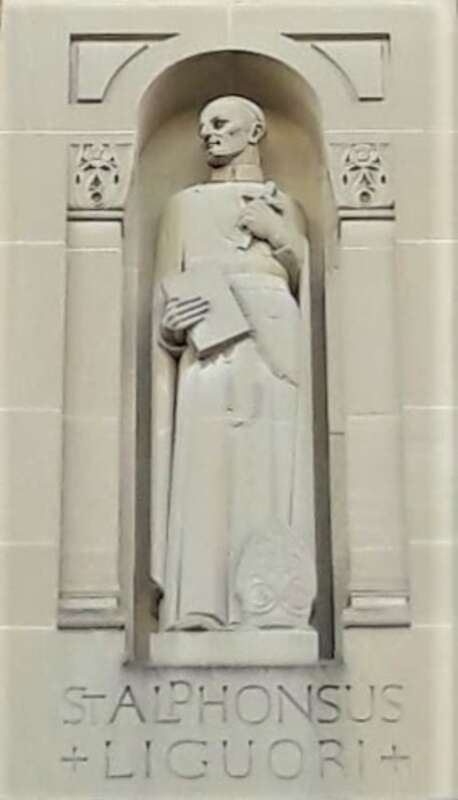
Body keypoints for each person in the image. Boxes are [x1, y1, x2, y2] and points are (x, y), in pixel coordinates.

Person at [151, 95, 316, 632]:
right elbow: (163, 303)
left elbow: (313, 282)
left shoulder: (282, 204)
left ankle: (272, 608)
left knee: (269, 470)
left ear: (256, 130)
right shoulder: (185, 205)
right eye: (201, 127)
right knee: (206, 468)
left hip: (275, 350)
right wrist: (174, 324)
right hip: (212, 351)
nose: (207, 135)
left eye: (220, 124)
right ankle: (200, 604)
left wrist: (277, 235)